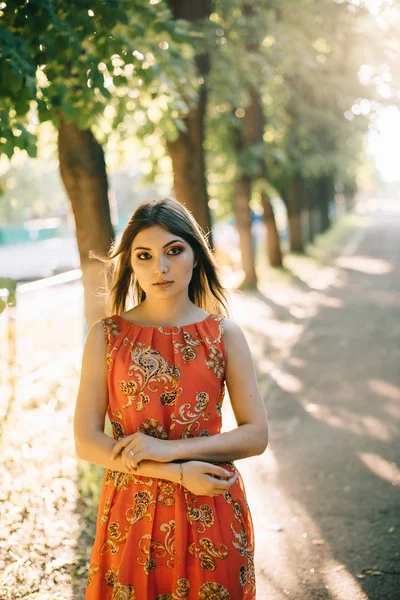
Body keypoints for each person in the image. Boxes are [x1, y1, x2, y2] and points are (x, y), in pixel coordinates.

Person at [74, 197, 269, 600]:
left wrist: (165, 449)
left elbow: (256, 435)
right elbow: (87, 442)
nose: (159, 268)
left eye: (173, 251)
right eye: (144, 256)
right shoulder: (106, 336)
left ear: (195, 255)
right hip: (132, 512)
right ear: (130, 263)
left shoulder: (223, 335)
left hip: (211, 507)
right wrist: (175, 471)